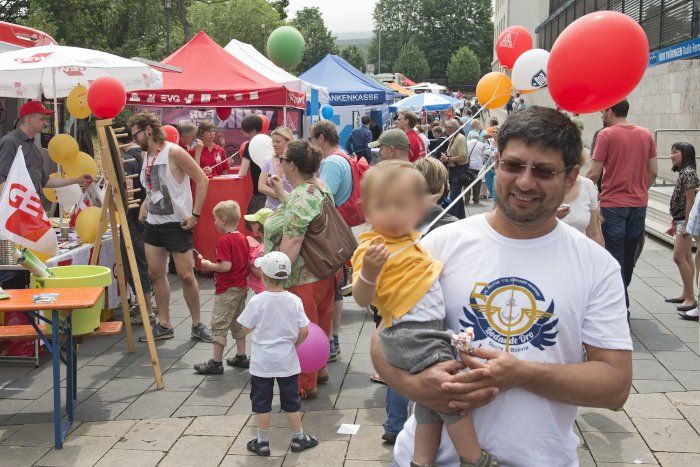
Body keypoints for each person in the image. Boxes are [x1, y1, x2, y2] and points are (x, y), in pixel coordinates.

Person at [373, 106, 633, 466]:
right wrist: (418, 387)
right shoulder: (439, 244)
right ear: (496, 163)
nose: (525, 182)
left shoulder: (597, 266)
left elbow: (615, 384)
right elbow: (383, 341)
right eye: (513, 165)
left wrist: (522, 374)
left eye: (543, 171)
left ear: (571, 177)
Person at [353, 161, 492, 467]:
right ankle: (474, 459)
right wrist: (370, 273)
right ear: (367, 212)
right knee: (450, 396)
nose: (393, 213)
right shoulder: (372, 248)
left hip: (427, 330)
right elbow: (362, 298)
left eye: (402, 205)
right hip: (411, 333)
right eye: (382, 205)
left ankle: (421, 461)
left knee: (429, 405)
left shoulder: (413, 241)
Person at [130, 112, 212, 342]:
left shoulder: (174, 152)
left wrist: (195, 215)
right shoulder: (147, 155)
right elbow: (154, 185)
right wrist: (145, 204)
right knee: (155, 274)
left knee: (186, 275)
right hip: (154, 224)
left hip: (177, 224)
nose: (134, 140)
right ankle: (164, 324)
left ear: (148, 130)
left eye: (136, 135)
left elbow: (202, 179)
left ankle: (197, 324)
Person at [264, 140, 335, 399]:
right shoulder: (319, 186)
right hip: (324, 268)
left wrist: (276, 277)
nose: (280, 162)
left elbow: (293, 241)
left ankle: (305, 384)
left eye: (282, 159)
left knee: (303, 330)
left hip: (303, 275)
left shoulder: (299, 197)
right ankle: (320, 369)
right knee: (321, 323)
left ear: (291, 165)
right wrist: (283, 194)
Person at [0, 100, 92, 288]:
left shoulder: (34, 147)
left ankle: (25, 297)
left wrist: (76, 179)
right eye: (42, 119)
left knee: (27, 266)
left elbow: (46, 182)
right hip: (15, 218)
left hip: (29, 216)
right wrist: (11, 214)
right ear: (28, 119)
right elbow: (3, 180)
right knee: (12, 269)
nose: (45, 123)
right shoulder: (10, 142)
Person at [236, 251, 318, 456]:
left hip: (262, 363)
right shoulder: (294, 300)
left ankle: (262, 442)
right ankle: (298, 437)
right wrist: (294, 344)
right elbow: (305, 331)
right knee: (291, 401)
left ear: (263, 276)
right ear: (286, 276)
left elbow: (244, 328)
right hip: (287, 361)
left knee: (262, 402)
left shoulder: (257, 301)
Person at [586, 99, 658, 311]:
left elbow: (593, 173)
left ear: (610, 111)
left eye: (602, 111)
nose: (601, 115)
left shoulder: (606, 135)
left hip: (613, 204)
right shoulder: (646, 134)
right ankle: (621, 297)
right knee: (629, 256)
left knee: (613, 256)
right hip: (639, 204)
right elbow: (653, 171)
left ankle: (619, 306)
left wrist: (580, 191)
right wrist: (640, 189)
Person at [311, 121, 352, 360]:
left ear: (321, 138)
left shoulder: (332, 163)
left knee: (331, 290)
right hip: (338, 230)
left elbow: (323, 198)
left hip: (331, 233)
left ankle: (330, 343)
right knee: (335, 290)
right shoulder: (341, 156)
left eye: (312, 139)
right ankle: (332, 341)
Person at [194, 201, 250, 374]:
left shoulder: (225, 240)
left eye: (216, 219)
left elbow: (225, 266)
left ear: (223, 221)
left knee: (219, 324)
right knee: (238, 322)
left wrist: (209, 265)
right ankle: (241, 355)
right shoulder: (242, 238)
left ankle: (216, 362)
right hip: (241, 287)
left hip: (227, 289)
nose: (214, 222)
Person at [120, 141, 155, 326]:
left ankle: (146, 310)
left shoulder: (127, 159)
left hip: (133, 219)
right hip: (149, 218)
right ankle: (150, 305)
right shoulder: (146, 155)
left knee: (134, 265)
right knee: (146, 263)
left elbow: (128, 193)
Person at [664, 142, 699, 319]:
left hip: (684, 221)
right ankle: (687, 293)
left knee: (679, 257)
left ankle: (691, 297)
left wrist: (686, 224)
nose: (671, 155)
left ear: (685, 153)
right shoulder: (685, 172)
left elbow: (690, 201)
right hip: (680, 220)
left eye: (675, 152)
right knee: (686, 257)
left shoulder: (689, 173)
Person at [557, 172, 605, 246]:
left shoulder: (587, 185)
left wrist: (600, 252)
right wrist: (550, 216)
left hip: (580, 250)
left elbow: (593, 234)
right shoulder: (541, 186)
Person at [441, 119, 470, 219]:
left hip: (459, 170)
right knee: (457, 196)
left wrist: (448, 159)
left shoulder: (460, 138)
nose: (445, 129)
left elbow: (463, 157)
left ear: (451, 128)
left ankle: (453, 218)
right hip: (453, 170)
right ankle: (460, 217)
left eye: (446, 127)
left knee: (454, 196)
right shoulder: (452, 137)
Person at [259, 127, 294, 210]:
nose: (274, 145)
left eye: (278, 142)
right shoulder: (268, 160)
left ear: (289, 142)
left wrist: (284, 196)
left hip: (291, 208)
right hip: (271, 209)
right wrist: (280, 194)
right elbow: (261, 186)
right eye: (273, 142)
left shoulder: (296, 161)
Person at [239, 114, 266, 215]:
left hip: (259, 193)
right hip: (274, 191)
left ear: (252, 129)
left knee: (252, 221)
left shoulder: (250, 145)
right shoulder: (270, 142)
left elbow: (242, 172)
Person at [244, 208, 273, 295]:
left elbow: (260, 274)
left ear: (262, 226)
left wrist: (247, 262)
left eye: (254, 223)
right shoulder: (266, 244)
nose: (251, 225)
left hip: (263, 290)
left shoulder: (263, 250)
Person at [466, 135, 485, 206]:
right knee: (477, 184)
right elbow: (483, 155)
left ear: (471, 137)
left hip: (469, 165)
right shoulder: (482, 144)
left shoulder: (467, 143)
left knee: (467, 184)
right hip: (478, 166)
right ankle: (476, 200)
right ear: (478, 138)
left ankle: (466, 201)